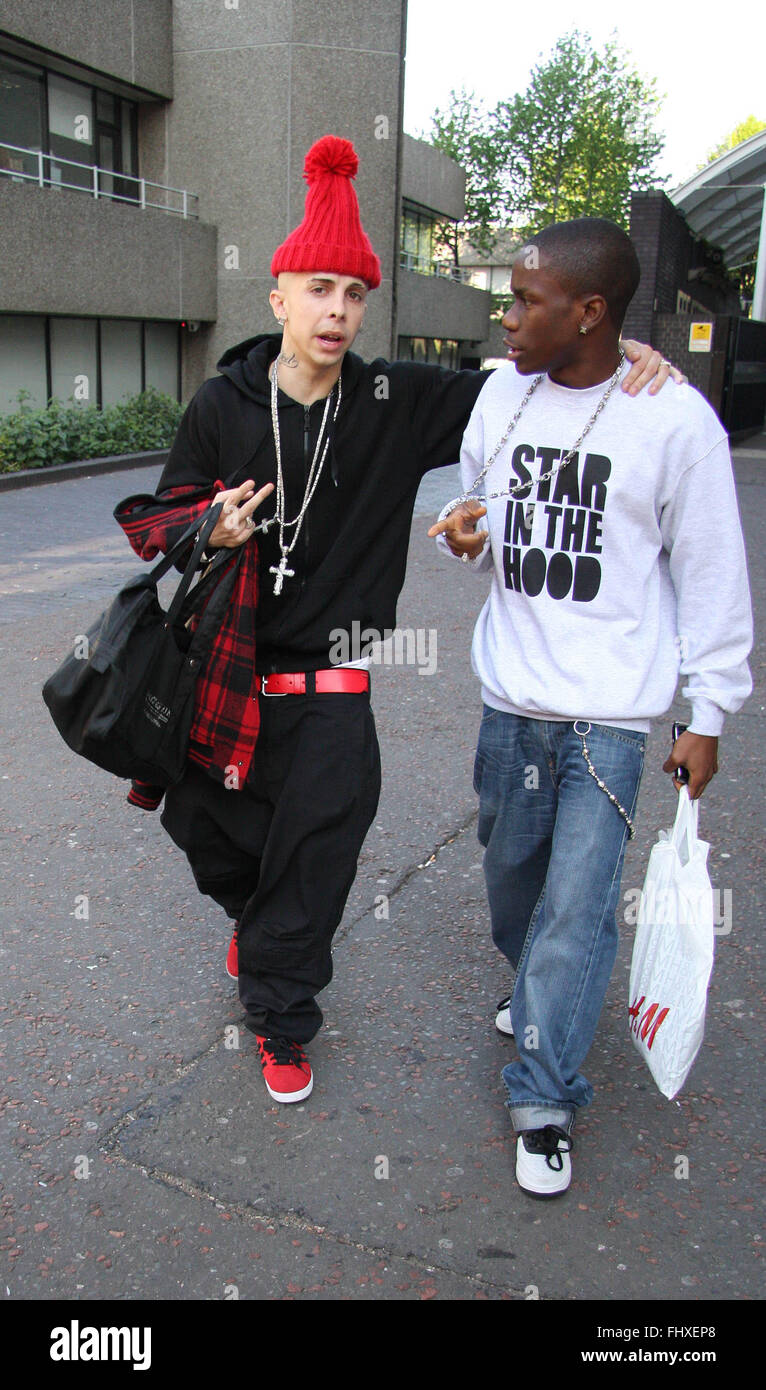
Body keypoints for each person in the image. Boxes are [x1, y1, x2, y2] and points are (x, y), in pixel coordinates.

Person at [115, 138, 677, 1106]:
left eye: (354, 294)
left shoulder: (390, 401)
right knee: (212, 836)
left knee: (316, 858)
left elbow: (529, 380)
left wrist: (617, 345)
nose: (337, 311)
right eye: (319, 289)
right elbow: (157, 520)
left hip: (333, 692)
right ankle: (258, 923)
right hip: (228, 676)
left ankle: (282, 1015)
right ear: (278, 298)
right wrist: (209, 525)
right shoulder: (220, 406)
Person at [428, 216, 753, 1197]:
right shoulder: (501, 394)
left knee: (576, 908)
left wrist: (709, 713)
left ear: (591, 312)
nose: (506, 313)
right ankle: (535, 988)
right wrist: (461, 531)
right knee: (514, 883)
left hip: (609, 720)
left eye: (526, 299)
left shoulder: (675, 422)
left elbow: (710, 576)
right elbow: (464, 508)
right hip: (510, 702)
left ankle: (544, 1093)